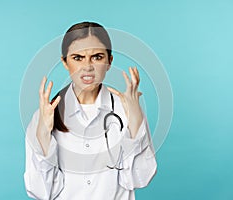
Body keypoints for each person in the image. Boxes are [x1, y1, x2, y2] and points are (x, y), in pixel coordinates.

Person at [24, 21, 157, 200]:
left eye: (97, 57)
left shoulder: (127, 109)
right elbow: (40, 192)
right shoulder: (45, 115)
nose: (88, 66)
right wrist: (43, 136)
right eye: (77, 58)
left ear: (110, 61)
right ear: (65, 62)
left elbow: (139, 179)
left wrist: (135, 123)